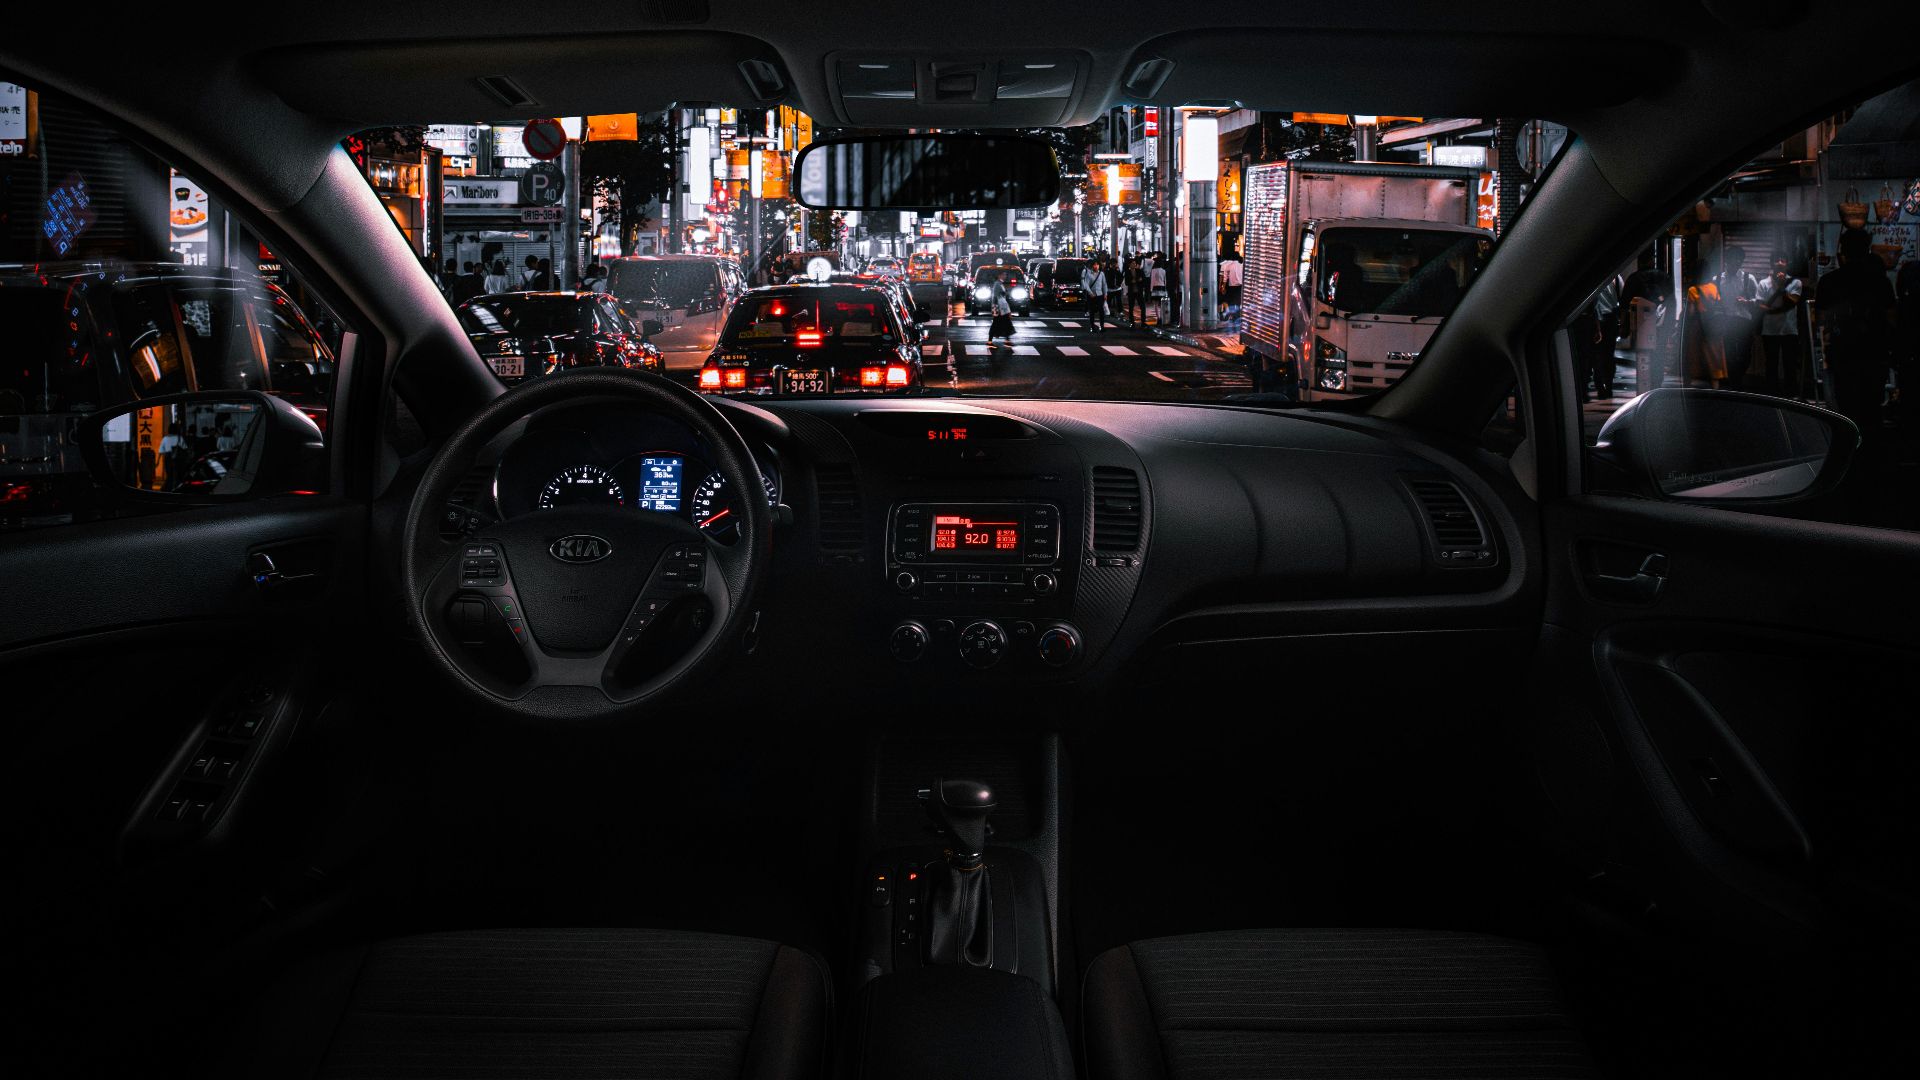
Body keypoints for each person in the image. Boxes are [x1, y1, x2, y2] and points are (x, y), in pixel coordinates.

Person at [1814, 229, 1895, 441]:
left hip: (1843, 353)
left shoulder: (1830, 281)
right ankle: (1873, 455)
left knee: (1846, 407)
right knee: (1872, 406)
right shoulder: (1880, 282)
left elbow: (1821, 320)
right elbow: (1891, 317)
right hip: (1874, 352)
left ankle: (1849, 451)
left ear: (1843, 250)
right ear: (1867, 249)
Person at [1753, 256, 1804, 395]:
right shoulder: (1764, 283)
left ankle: (1790, 393)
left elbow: (1794, 301)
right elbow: (1759, 305)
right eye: (1777, 260)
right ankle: (1772, 393)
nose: (1780, 263)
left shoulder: (1795, 282)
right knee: (1771, 363)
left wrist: (1782, 288)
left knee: (1790, 363)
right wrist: (1774, 308)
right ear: (1771, 264)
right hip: (1769, 330)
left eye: (1783, 260)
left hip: (1789, 329)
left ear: (1787, 264)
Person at [1712, 245, 1758, 389]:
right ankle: (1733, 382)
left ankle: (1737, 377)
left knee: (1745, 353)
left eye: (1740, 259)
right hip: (1726, 321)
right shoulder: (1717, 279)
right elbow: (1713, 301)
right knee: (1728, 353)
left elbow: (1758, 300)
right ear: (1727, 260)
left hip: (1744, 320)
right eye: (1734, 259)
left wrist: (1747, 301)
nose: (1737, 262)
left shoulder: (1748, 278)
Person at [987, 271, 1016, 348]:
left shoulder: (999, 283)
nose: (1005, 276)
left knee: (1006, 323)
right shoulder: (997, 284)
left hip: (1001, 307)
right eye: (1004, 274)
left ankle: (1007, 340)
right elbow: (997, 297)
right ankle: (990, 341)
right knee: (997, 323)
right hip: (999, 308)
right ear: (999, 275)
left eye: (1005, 274)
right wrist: (1000, 309)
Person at [1082, 256, 1110, 331]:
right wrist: (1090, 293)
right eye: (1094, 265)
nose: (1096, 266)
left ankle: (1102, 326)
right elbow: (1086, 285)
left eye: (1097, 265)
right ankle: (1092, 326)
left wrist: (1105, 294)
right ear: (1092, 266)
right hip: (1091, 295)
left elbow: (1104, 284)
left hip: (1099, 294)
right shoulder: (1088, 274)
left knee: (1101, 311)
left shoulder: (1101, 274)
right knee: (1092, 311)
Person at [1221, 253, 1244, 322]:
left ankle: (1232, 315)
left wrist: (1223, 287)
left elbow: (1225, 278)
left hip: (1231, 286)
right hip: (1239, 286)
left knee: (1231, 302)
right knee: (1238, 302)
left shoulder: (1228, 266)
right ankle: (1237, 316)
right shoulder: (1241, 266)